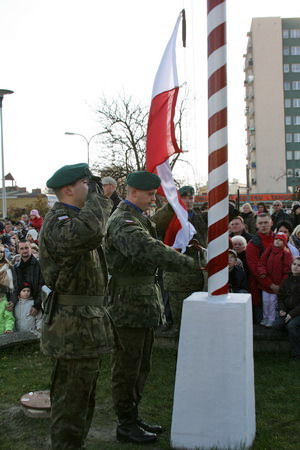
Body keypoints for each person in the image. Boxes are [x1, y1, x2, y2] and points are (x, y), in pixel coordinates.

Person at [105, 171, 196, 444]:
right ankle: (125, 423)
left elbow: (153, 234)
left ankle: (133, 415)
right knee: (127, 366)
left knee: (141, 364)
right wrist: (191, 263)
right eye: (150, 195)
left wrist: (174, 207)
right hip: (127, 304)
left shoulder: (136, 217)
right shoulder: (122, 221)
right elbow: (150, 249)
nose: (152, 200)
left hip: (140, 301)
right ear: (134, 192)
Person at [39, 163, 115, 450]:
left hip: (86, 325)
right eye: (88, 183)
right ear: (69, 189)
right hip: (71, 329)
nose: (92, 189)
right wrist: (100, 198)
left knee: (83, 397)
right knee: (70, 402)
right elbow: (91, 232)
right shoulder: (58, 221)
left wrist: (96, 198)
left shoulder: (77, 219)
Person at [154, 185, 207, 331]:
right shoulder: (170, 217)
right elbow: (155, 226)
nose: (188, 201)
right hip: (176, 274)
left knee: (196, 318)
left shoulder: (198, 217)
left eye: (191, 198)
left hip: (197, 272)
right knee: (179, 318)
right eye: (184, 197)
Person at [257, 232, 292, 327]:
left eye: (281, 240)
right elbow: (261, 262)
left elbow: (287, 271)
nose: (277, 241)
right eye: (276, 239)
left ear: (284, 242)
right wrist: (262, 272)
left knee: (273, 303)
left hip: (277, 285)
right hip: (267, 283)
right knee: (265, 302)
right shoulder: (269, 250)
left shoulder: (286, 253)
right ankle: (265, 317)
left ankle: (272, 319)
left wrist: (281, 285)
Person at [246, 213, 274, 323]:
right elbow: (255, 269)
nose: (264, 225)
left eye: (266, 222)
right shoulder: (252, 244)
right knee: (261, 321)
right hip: (260, 288)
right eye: (261, 223)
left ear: (271, 223)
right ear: (257, 225)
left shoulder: (279, 239)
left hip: (279, 286)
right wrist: (270, 284)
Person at [273, 257, 300, 360]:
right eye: (294, 264)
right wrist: (282, 309)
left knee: (291, 326)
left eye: (299, 265)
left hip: (297, 313)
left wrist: (291, 315)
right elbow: (280, 298)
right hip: (287, 311)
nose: (296, 267)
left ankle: (296, 354)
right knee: (276, 325)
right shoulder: (286, 281)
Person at [8, 240, 44, 315]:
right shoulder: (16, 267)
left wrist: (37, 305)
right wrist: (12, 302)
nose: (24, 250)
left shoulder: (40, 266)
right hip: (19, 306)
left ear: (30, 248)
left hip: (35, 307)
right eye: (21, 248)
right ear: (18, 250)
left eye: (26, 248)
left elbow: (42, 287)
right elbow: (15, 287)